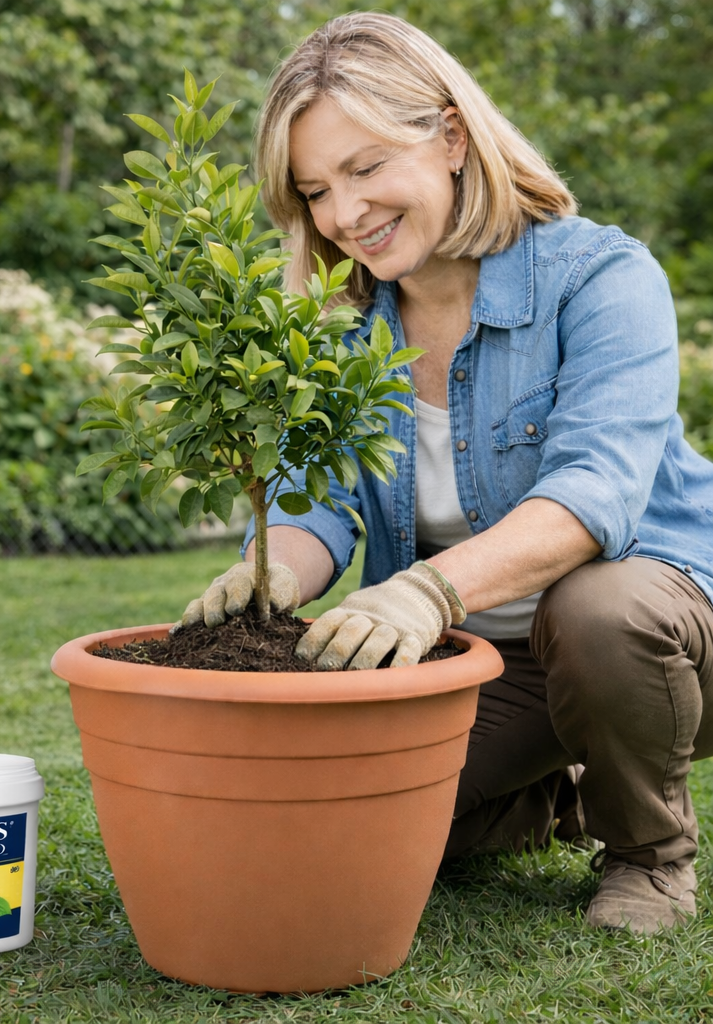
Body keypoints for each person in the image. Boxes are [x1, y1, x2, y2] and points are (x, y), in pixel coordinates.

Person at [176, 11, 713, 935]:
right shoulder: (343, 331)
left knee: (596, 609)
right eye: (315, 190)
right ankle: (552, 791)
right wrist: (268, 574)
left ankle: (649, 858)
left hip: (662, 637)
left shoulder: (602, 279)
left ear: (452, 136)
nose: (345, 214)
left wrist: (425, 591)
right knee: (340, 813)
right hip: (481, 664)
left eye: (366, 167)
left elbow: (598, 494)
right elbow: (320, 507)